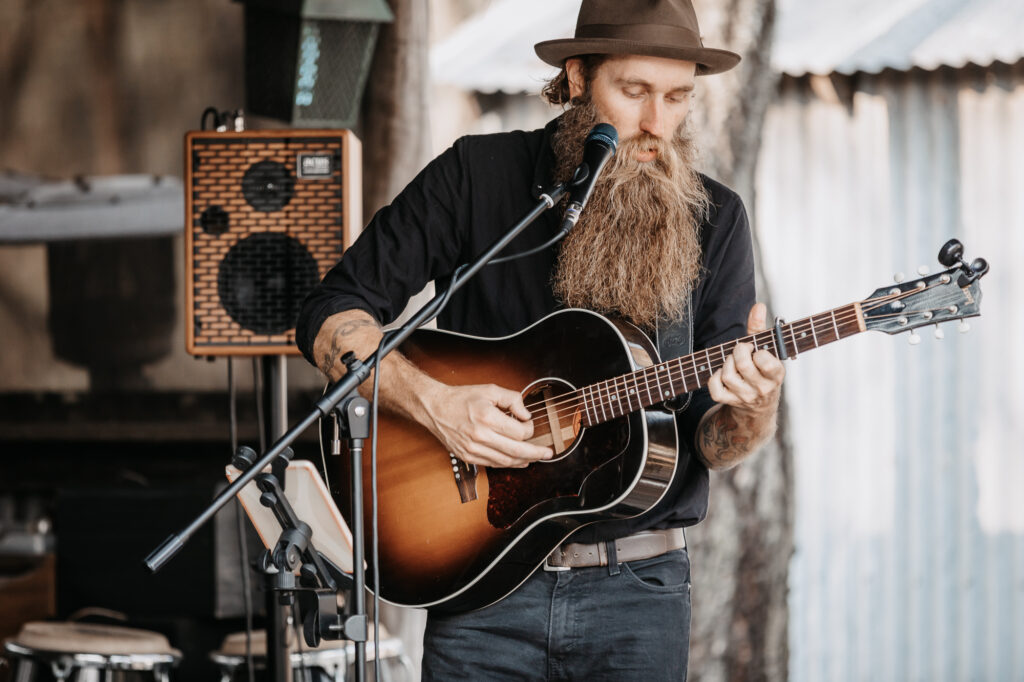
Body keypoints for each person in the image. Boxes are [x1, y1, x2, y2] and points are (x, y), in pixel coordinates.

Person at [296, 0, 785, 678]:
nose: (655, 124)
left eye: (677, 98)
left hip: (638, 595)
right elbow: (331, 311)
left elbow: (711, 438)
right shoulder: (477, 178)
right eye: (635, 91)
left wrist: (755, 409)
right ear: (578, 77)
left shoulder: (716, 218)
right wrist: (434, 402)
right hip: (481, 588)